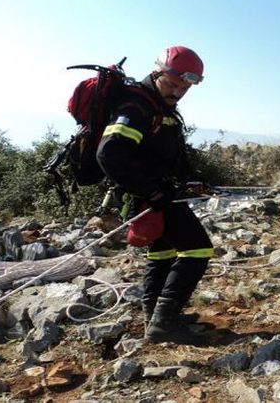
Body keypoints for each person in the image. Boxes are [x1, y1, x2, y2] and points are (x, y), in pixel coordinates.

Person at [96, 45, 213, 345]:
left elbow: (166, 153)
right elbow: (109, 154)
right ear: (157, 72)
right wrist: (149, 191)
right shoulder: (136, 107)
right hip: (151, 195)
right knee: (198, 250)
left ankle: (155, 318)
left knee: (163, 254)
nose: (177, 93)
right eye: (172, 85)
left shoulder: (159, 106)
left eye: (184, 88)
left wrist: (193, 180)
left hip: (158, 193)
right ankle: (164, 321)